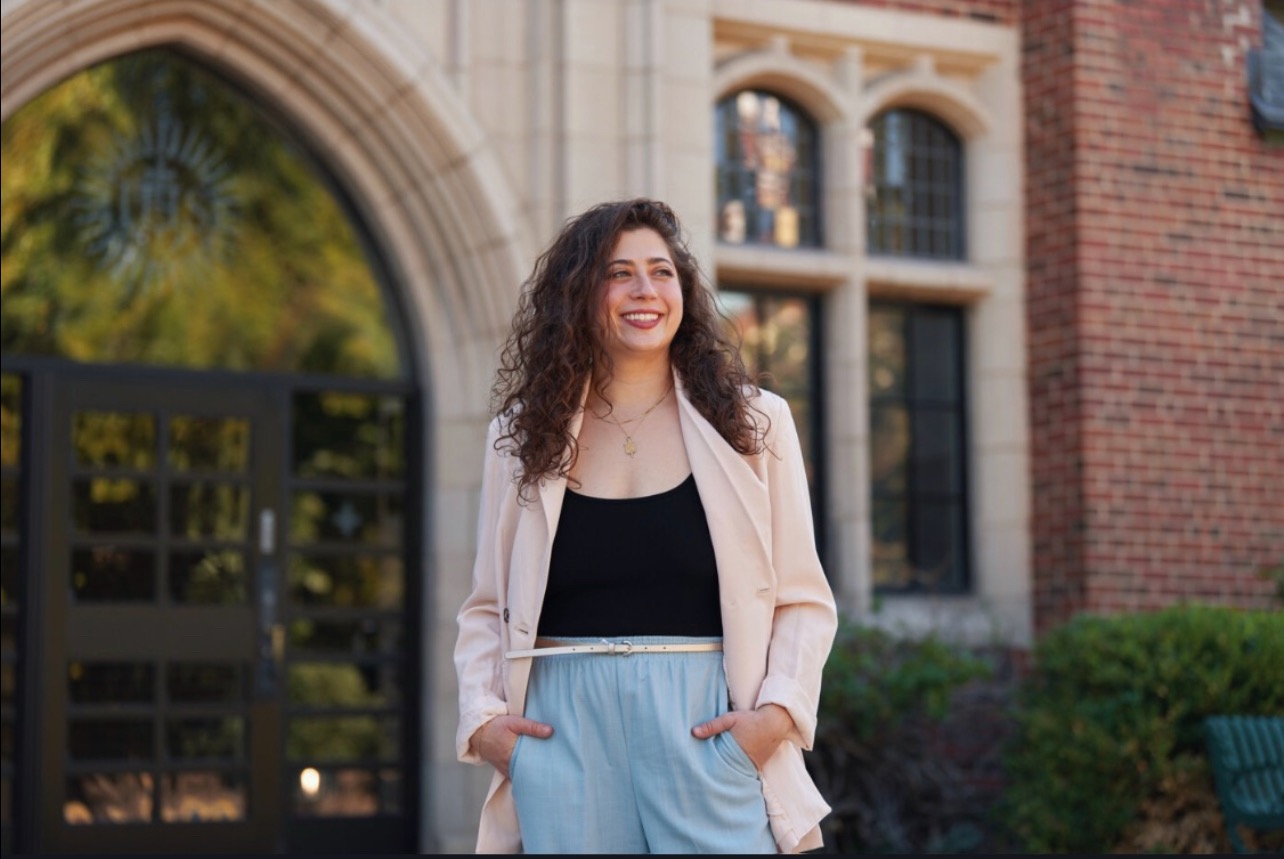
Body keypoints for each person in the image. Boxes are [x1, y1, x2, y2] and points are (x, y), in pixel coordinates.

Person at [454, 198, 838, 854]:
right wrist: (488, 726)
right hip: (561, 741)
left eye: (661, 272)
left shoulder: (756, 426)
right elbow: (487, 606)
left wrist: (773, 719)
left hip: (707, 734)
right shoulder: (517, 440)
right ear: (578, 294)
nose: (645, 291)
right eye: (619, 272)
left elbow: (803, 599)